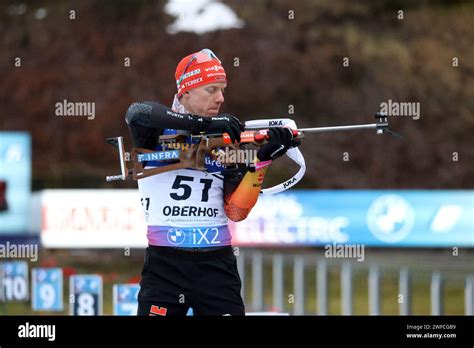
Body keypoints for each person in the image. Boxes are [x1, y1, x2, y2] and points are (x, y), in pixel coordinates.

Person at [125, 48, 293, 316]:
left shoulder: (225, 142)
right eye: (211, 89)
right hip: (166, 265)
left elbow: (237, 211)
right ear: (186, 92)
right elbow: (138, 112)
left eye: (223, 89)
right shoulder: (157, 131)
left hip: (217, 265)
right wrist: (201, 125)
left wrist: (261, 162)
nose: (221, 98)